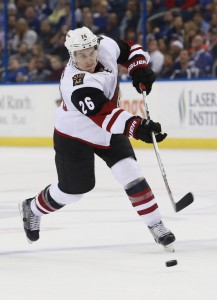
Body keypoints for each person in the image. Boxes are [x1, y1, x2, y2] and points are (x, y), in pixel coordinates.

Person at [19, 26, 175, 250]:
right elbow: (105, 115)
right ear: (72, 55)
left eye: (92, 52)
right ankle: (32, 208)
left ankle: (156, 225)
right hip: (75, 133)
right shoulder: (76, 83)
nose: (89, 59)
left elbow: (130, 49)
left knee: (130, 171)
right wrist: (137, 127)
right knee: (73, 192)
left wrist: (139, 67)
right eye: (82, 55)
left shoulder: (105, 47)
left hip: (106, 128)